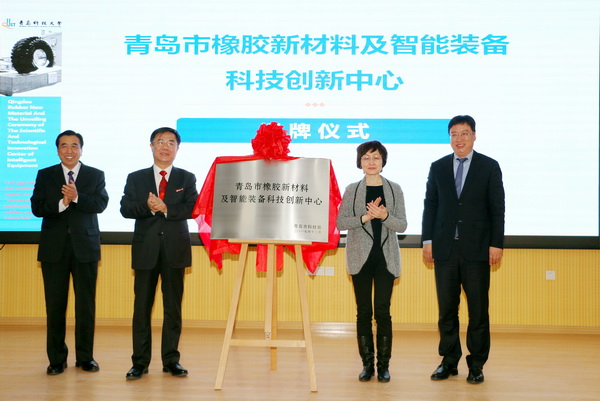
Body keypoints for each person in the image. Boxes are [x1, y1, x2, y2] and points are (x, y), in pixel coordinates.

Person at [422, 115, 505, 384]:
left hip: (477, 249)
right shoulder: (438, 167)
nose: (459, 139)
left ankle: (476, 364)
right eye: (454, 134)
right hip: (444, 248)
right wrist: (427, 240)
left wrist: (496, 243)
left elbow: (497, 209)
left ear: (474, 136)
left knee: (478, 311)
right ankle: (449, 361)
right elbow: (430, 206)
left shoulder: (489, 166)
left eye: (465, 133)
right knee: (447, 310)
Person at [120, 127, 198, 380]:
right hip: (146, 250)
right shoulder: (136, 177)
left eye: (171, 143)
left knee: (172, 308)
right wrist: (148, 206)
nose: (165, 146)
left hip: (175, 249)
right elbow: (125, 208)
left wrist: (166, 208)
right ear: (151, 146)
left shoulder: (186, 178)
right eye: (160, 141)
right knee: (142, 308)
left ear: (177, 148)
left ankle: (171, 360)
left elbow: (193, 208)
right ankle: (139, 363)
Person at [30, 130, 109, 375]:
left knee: (86, 306)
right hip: (54, 250)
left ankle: (85, 357)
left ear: (81, 150)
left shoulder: (95, 174)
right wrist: (61, 204)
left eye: (74, 145)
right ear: (57, 150)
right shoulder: (45, 175)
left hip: (86, 248)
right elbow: (36, 207)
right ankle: (56, 359)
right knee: (55, 306)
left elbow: (100, 204)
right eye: (64, 145)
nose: (69, 150)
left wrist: (76, 198)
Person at [336, 141, 407, 383]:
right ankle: (367, 365)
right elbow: (341, 222)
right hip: (360, 258)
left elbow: (402, 225)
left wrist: (384, 216)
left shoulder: (394, 189)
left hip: (386, 258)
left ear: (383, 161)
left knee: (383, 311)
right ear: (360, 162)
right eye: (366, 157)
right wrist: (366, 217)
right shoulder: (352, 190)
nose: (371, 162)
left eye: (376, 157)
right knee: (364, 311)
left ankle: (383, 366)